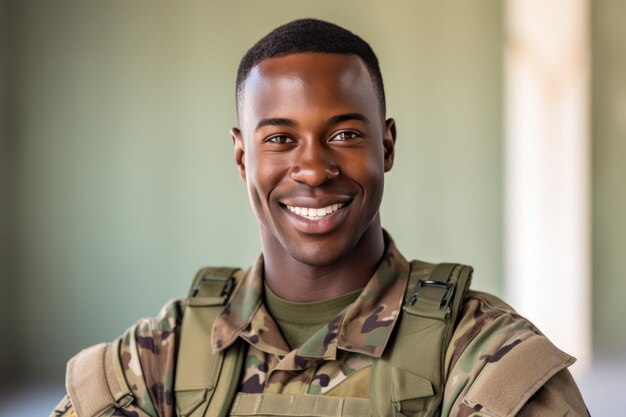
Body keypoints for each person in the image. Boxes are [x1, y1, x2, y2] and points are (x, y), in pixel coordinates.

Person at [52, 18, 589, 417]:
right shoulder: (158, 359)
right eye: (280, 139)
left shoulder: (481, 355)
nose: (312, 168)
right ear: (243, 158)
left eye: (345, 135)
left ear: (387, 145)